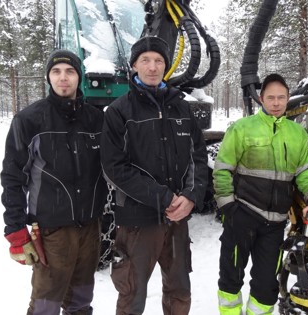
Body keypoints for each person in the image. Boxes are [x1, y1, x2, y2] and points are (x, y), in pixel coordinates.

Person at [100, 36, 208, 315]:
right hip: (137, 222)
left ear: (166, 66)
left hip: (177, 220)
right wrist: (163, 197)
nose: (152, 67)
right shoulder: (119, 111)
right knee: (132, 294)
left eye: (158, 60)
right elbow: (115, 167)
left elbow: (197, 156)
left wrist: (190, 196)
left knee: (179, 292)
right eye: (145, 60)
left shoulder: (182, 109)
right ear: (134, 65)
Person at [0, 49, 107, 315]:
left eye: (70, 71)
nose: (63, 78)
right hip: (51, 231)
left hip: (90, 228)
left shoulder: (97, 119)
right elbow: (13, 177)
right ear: (48, 77)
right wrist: (15, 229)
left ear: (79, 77)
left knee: (81, 301)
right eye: (56, 72)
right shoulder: (29, 120)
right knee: (45, 304)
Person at [213, 73, 308, 315]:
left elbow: (304, 175)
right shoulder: (242, 128)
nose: (276, 103)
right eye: (271, 97)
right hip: (241, 217)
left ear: (288, 99)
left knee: (266, 289)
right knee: (230, 280)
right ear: (261, 99)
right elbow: (222, 170)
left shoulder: (297, 134)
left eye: (281, 97)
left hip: (274, 225)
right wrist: (228, 208)